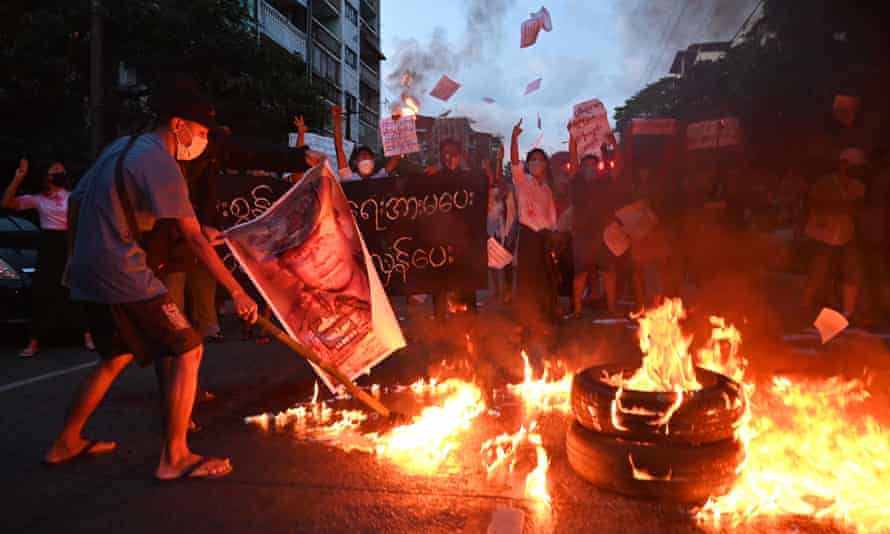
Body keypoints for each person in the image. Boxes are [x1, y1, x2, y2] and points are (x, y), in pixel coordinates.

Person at [43, 84, 258, 482]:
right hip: (122, 272)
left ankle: (66, 440)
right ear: (178, 125)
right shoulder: (162, 162)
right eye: (201, 132)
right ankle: (174, 456)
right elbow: (192, 236)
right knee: (188, 348)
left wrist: (73, 258)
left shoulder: (121, 147)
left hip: (88, 270)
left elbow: (77, 202)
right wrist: (239, 291)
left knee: (115, 357)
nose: (202, 141)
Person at [2, 158, 95, 357]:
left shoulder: (73, 195)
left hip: (69, 241)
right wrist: (18, 178)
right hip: (49, 244)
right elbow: (7, 203)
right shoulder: (38, 199)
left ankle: (88, 335)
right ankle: (33, 341)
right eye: (55, 170)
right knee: (43, 292)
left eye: (62, 170)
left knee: (75, 288)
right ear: (47, 176)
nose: (60, 173)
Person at [566, 130, 627, 318]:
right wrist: (572, 136)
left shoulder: (605, 182)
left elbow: (619, 166)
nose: (590, 168)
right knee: (581, 274)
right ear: (582, 168)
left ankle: (612, 307)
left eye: (593, 165)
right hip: (583, 235)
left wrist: (614, 143)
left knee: (609, 271)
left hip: (604, 235)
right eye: (586, 165)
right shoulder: (577, 182)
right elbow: (573, 159)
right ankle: (577, 309)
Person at [802, 148, 867, 319]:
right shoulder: (825, 182)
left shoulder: (858, 186)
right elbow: (814, 203)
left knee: (851, 270)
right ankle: (807, 306)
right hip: (822, 234)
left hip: (846, 234)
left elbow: (856, 209)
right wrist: (834, 207)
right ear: (842, 164)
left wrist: (838, 206)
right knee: (818, 271)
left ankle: (847, 312)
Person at [510, 118, 558, 333]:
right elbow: (513, 162)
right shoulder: (522, 182)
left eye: (541, 160)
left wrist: (553, 236)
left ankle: (545, 317)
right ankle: (525, 320)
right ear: (528, 164)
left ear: (546, 165)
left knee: (545, 279)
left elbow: (551, 215)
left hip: (544, 237)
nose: (537, 163)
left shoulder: (547, 189)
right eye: (533, 160)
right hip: (528, 236)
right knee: (527, 280)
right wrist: (514, 137)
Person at [332, 105, 401, 181]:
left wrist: (398, 123)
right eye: (362, 156)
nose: (365, 157)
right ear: (355, 162)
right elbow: (339, 148)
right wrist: (336, 118)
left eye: (367, 156)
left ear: (373, 160)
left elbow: (397, 157)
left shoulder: (379, 178)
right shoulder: (348, 178)